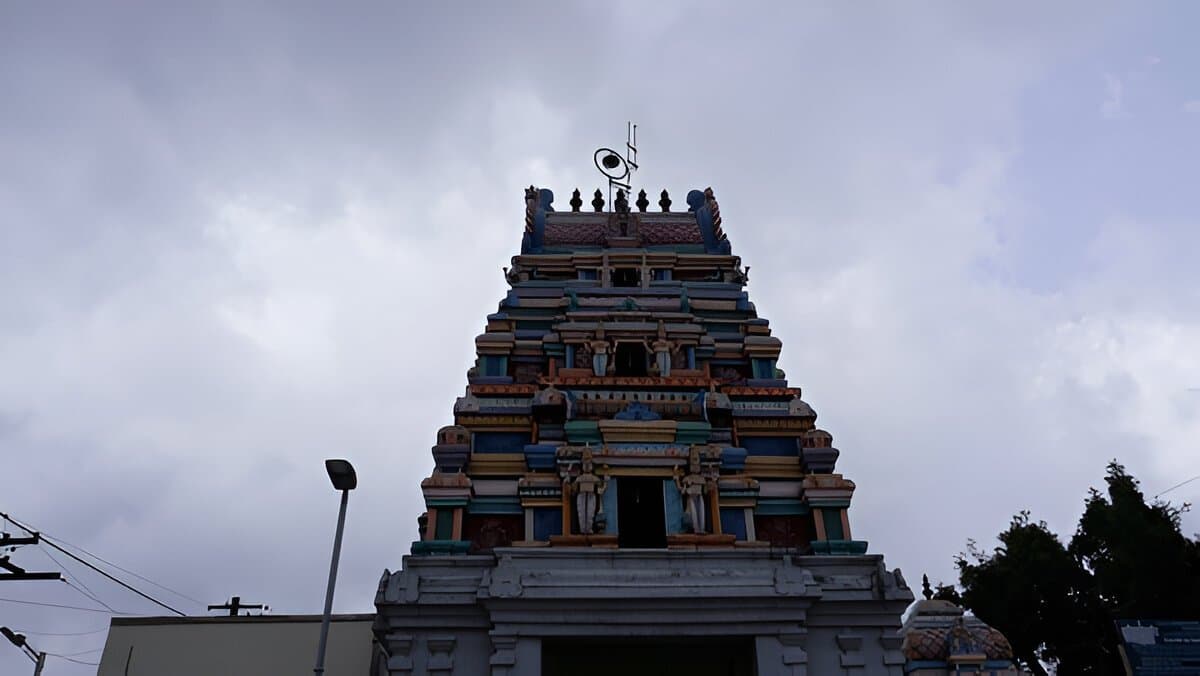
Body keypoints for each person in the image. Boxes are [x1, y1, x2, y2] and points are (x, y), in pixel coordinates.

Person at [673, 450, 708, 534]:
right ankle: (696, 529)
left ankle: (701, 528)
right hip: (691, 497)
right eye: (693, 464)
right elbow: (682, 490)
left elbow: (705, 491)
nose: (696, 466)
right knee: (693, 514)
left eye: (697, 463)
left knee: (701, 513)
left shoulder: (702, 478)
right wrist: (677, 479)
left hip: (699, 496)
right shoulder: (687, 478)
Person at [574, 450, 606, 534]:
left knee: (590, 513)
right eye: (585, 464)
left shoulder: (594, 478)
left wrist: (605, 480)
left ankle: (588, 529)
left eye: (589, 464)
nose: (587, 466)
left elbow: (601, 485)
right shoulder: (579, 478)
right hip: (581, 495)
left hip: (591, 495)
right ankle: (582, 529)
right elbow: (574, 488)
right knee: (581, 513)